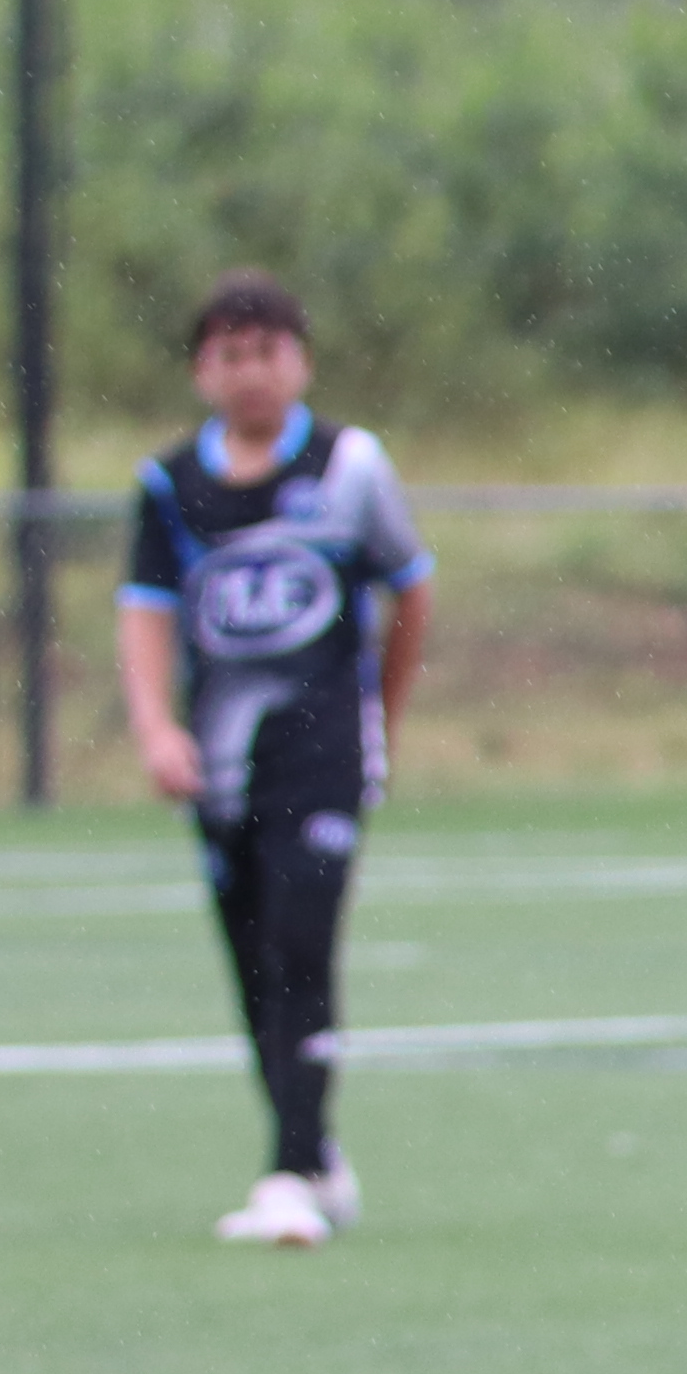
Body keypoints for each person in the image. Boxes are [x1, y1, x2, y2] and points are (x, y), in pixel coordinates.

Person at [116, 270, 431, 1253]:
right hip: (220, 759)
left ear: (300, 360)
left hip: (322, 749)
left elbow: (410, 588)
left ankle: (290, 1171)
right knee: (252, 956)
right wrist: (156, 729)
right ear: (203, 370)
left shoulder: (349, 467)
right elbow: (146, 614)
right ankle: (315, 1148)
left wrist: (382, 710)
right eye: (229, 354)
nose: (250, 372)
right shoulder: (170, 486)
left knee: (302, 938)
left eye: (268, 351)